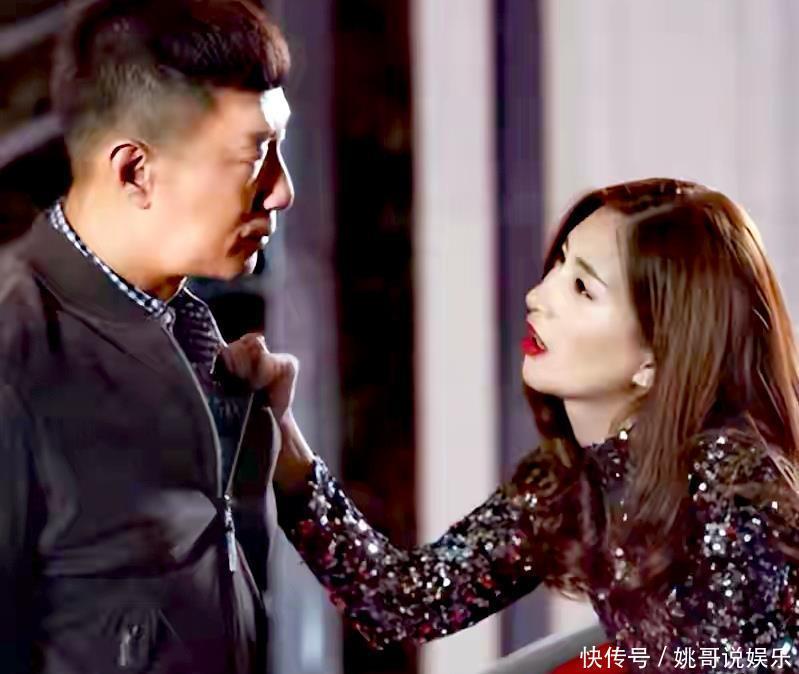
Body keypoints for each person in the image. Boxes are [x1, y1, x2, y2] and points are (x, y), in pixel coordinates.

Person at [229, 178, 799, 672]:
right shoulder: (571, 482)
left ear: (658, 355)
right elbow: (404, 602)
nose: (536, 296)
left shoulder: (731, 488)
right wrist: (284, 439)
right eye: (559, 266)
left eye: (582, 289)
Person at [0, 0, 294, 672]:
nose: (281, 191)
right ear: (136, 170)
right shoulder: (15, 355)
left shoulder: (195, 335)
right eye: (254, 155)